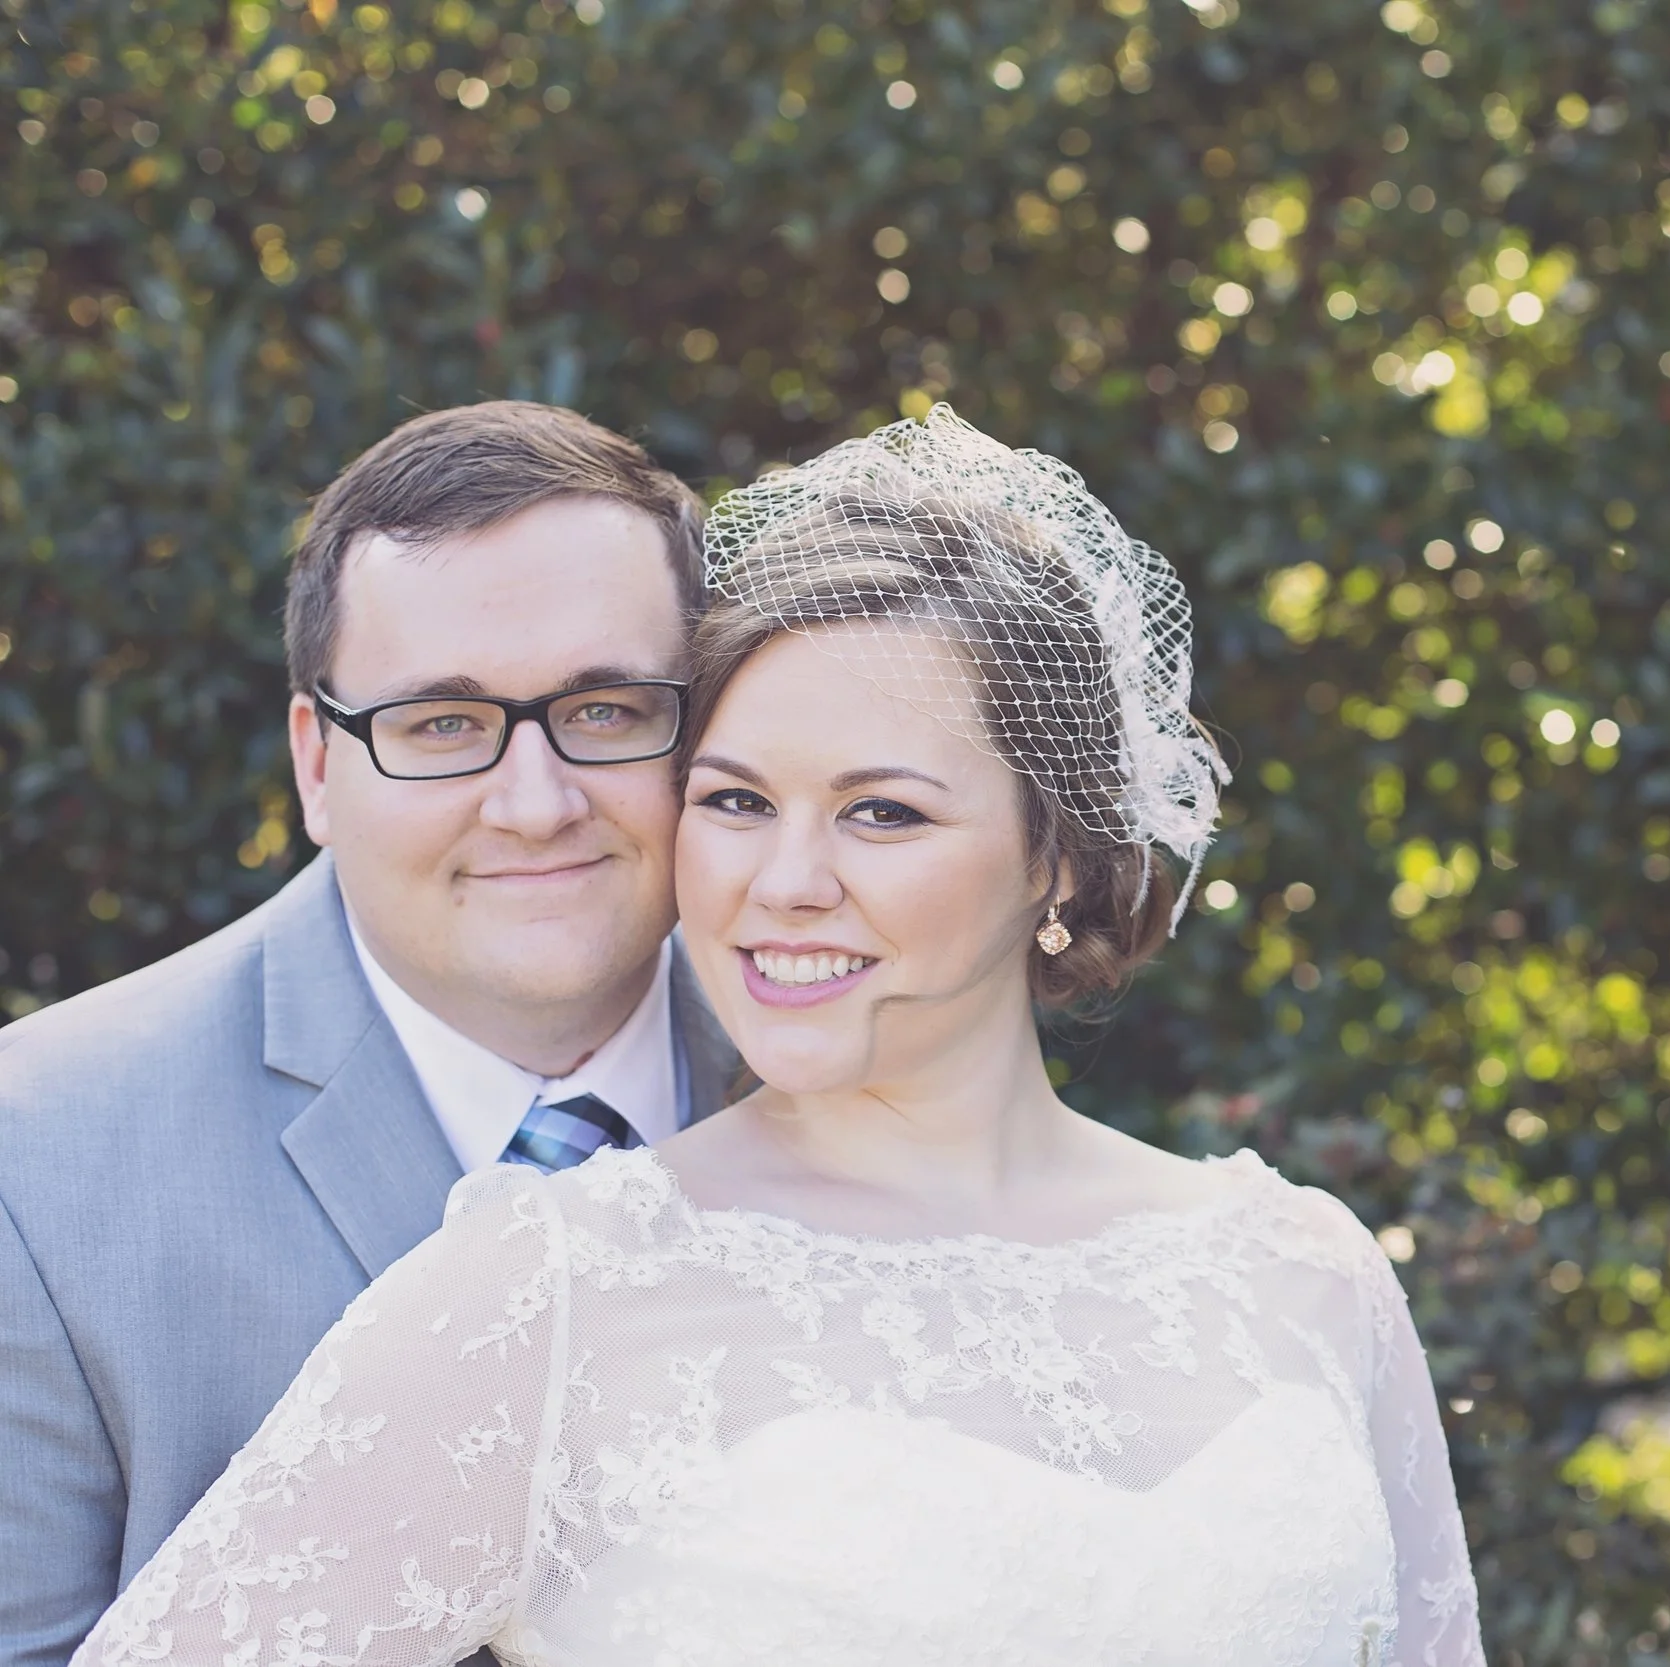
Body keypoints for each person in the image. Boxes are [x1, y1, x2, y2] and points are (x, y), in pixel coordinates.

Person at [69, 407, 1485, 1667]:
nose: (784, 879)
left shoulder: (1306, 1277)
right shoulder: (544, 1288)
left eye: (883, 811)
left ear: (1056, 854)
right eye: (737, 800)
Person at [0, 403, 743, 1667]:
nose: (536, 802)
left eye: (608, 709)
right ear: (316, 765)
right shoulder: (37, 1163)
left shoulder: (855, 1068)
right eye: (441, 724)